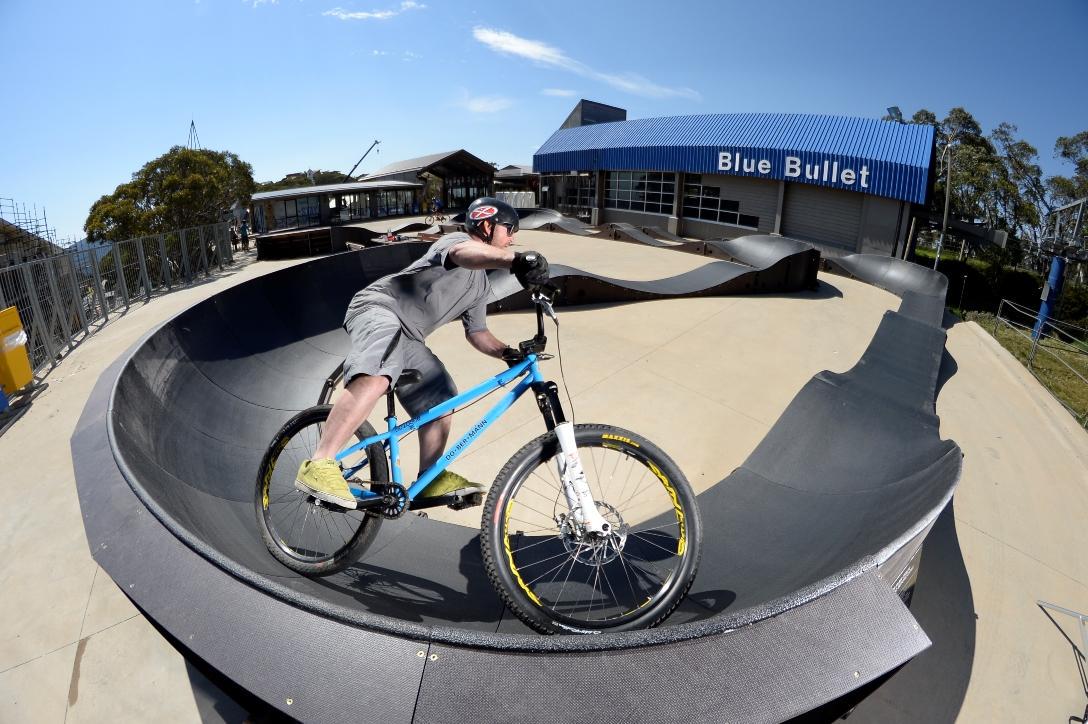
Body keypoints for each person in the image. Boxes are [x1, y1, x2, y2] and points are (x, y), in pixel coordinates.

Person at [296, 197, 550, 509]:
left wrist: (507, 353)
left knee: (442, 397)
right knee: (378, 374)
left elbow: (477, 333)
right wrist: (515, 259)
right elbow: (464, 255)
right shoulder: (456, 242)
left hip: (410, 338)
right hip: (377, 308)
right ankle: (320, 464)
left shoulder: (480, 286)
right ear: (486, 226)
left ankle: (429, 478)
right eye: (509, 229)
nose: (513, 236)